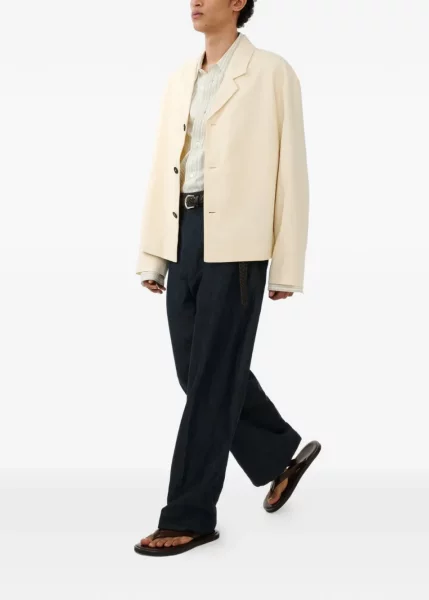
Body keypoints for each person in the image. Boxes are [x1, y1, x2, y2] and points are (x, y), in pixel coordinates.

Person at [134, 0, 321, 557]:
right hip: (183, 233)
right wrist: (154, 254)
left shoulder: (271, 72)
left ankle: (189, 514)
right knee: (196, 371)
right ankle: (278, 453)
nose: (194, 1)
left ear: (238, 2)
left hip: (238, 242)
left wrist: (286, 262)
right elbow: (163, 167)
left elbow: (292, 171)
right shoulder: (180, 79)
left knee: (212, 377)